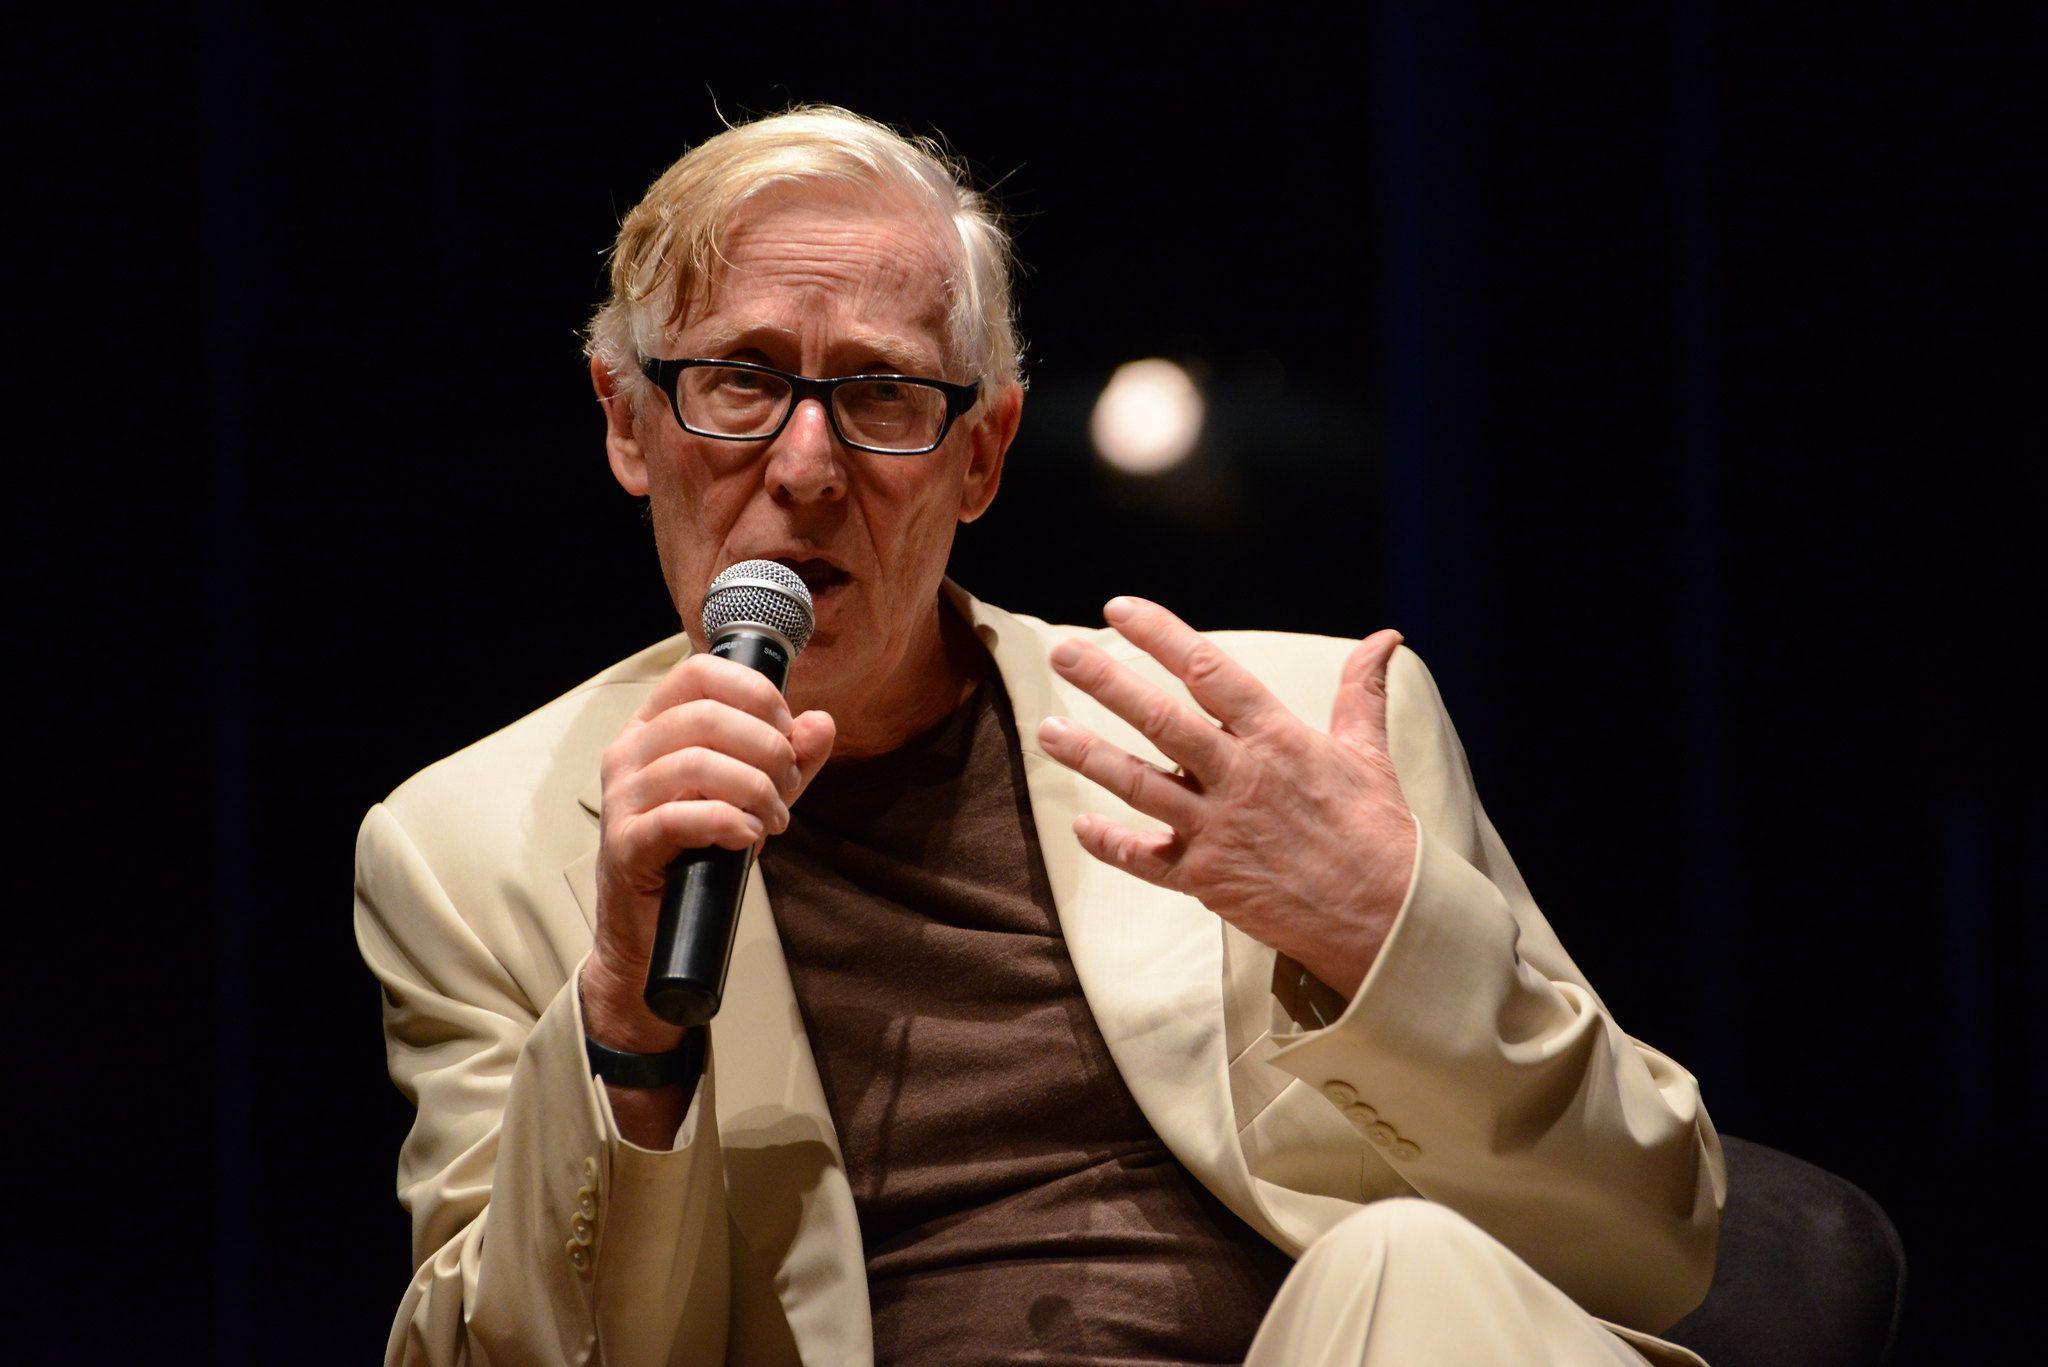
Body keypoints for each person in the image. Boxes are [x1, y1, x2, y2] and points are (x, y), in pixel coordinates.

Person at [354, 105, 1723, 1366]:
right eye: (740, 380)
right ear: (630, 423)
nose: (808, 467)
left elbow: (1653, 1243)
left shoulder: (1293, 744)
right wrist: (626, 1028)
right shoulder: (467, 850)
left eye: (883, 394)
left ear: (984, 453)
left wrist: (1387, 942)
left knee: (1405, 1259)